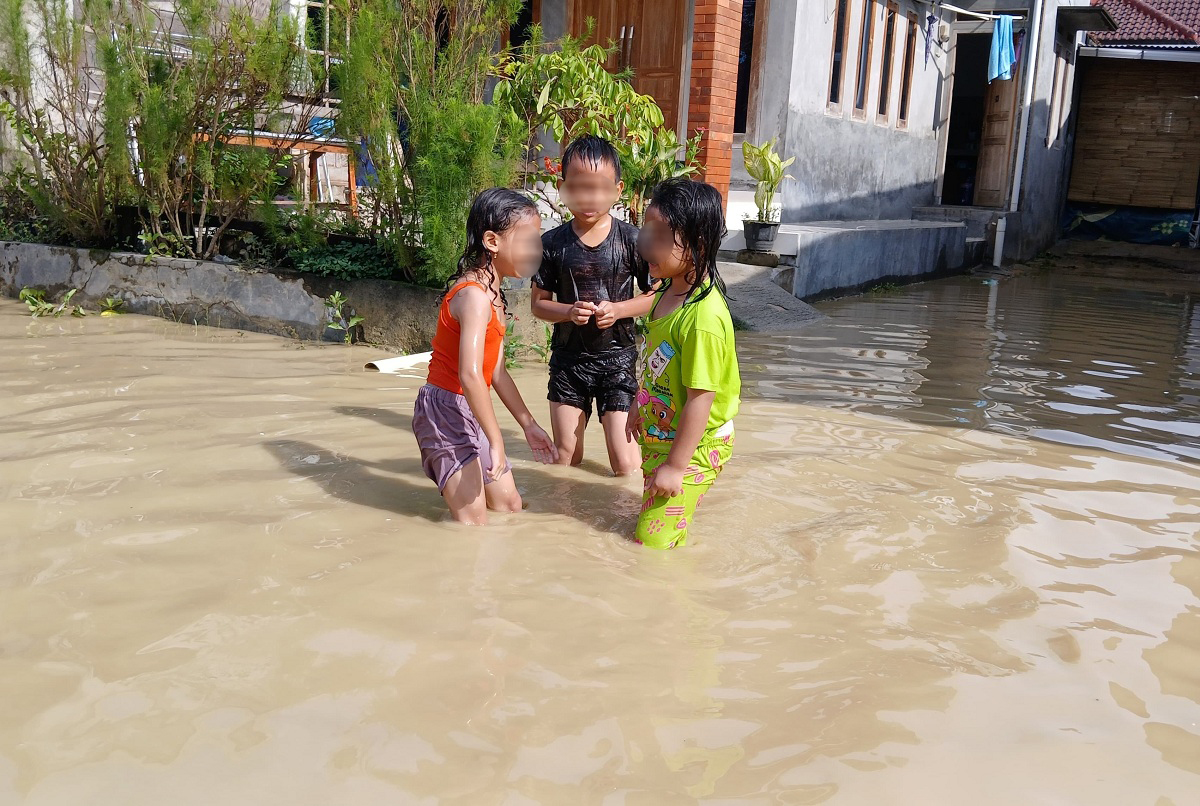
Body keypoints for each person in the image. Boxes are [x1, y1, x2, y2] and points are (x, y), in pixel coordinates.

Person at [412, 188, 559, 525]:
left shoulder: (495, 295)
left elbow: (496, 372)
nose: (534, 251)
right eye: (527, 241)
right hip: (444, 408)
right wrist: (496, 440)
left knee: (509, 506)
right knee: (473, 524)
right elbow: (470, 374)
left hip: (472, 407)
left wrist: (529, 425)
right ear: (492, 241)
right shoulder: (474, 296)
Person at [626, 178, 741, 549]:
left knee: (651, 544)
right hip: (663, 431)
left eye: (661, 236)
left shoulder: (703, 319)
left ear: (698, 244)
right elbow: (657, 362)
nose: (648, 245)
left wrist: (676, 467)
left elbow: (700, 398)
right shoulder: (667, 293)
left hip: (696, 442)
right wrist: (637, 404)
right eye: (648, 231)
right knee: (656, 516)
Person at [531, 135, 656, 476]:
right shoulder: (551, 244)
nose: (590, 198)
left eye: (600, 188)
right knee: (566, 459)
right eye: (580, 188)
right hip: (569, 362)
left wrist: (618, 310)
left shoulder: (633, 240)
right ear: (563, 188)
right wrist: (568, 311)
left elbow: (656, 296)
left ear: (618, 190)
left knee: (626, 464)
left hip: (616, 360)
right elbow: (539, 306)